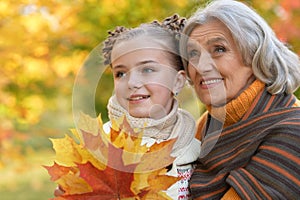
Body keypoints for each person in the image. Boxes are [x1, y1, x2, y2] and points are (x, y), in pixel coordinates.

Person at [55, 14, 201, 199]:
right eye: (121, 73)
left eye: (147, 70)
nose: (132, 82)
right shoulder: (101, 146)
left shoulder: (195, 147)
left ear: (177, 81)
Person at [179, 0, 300, 199]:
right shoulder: (203, 127)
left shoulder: (292, 131)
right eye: (193, 54)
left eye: (218, 49)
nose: (201, 66)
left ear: (256, 55)